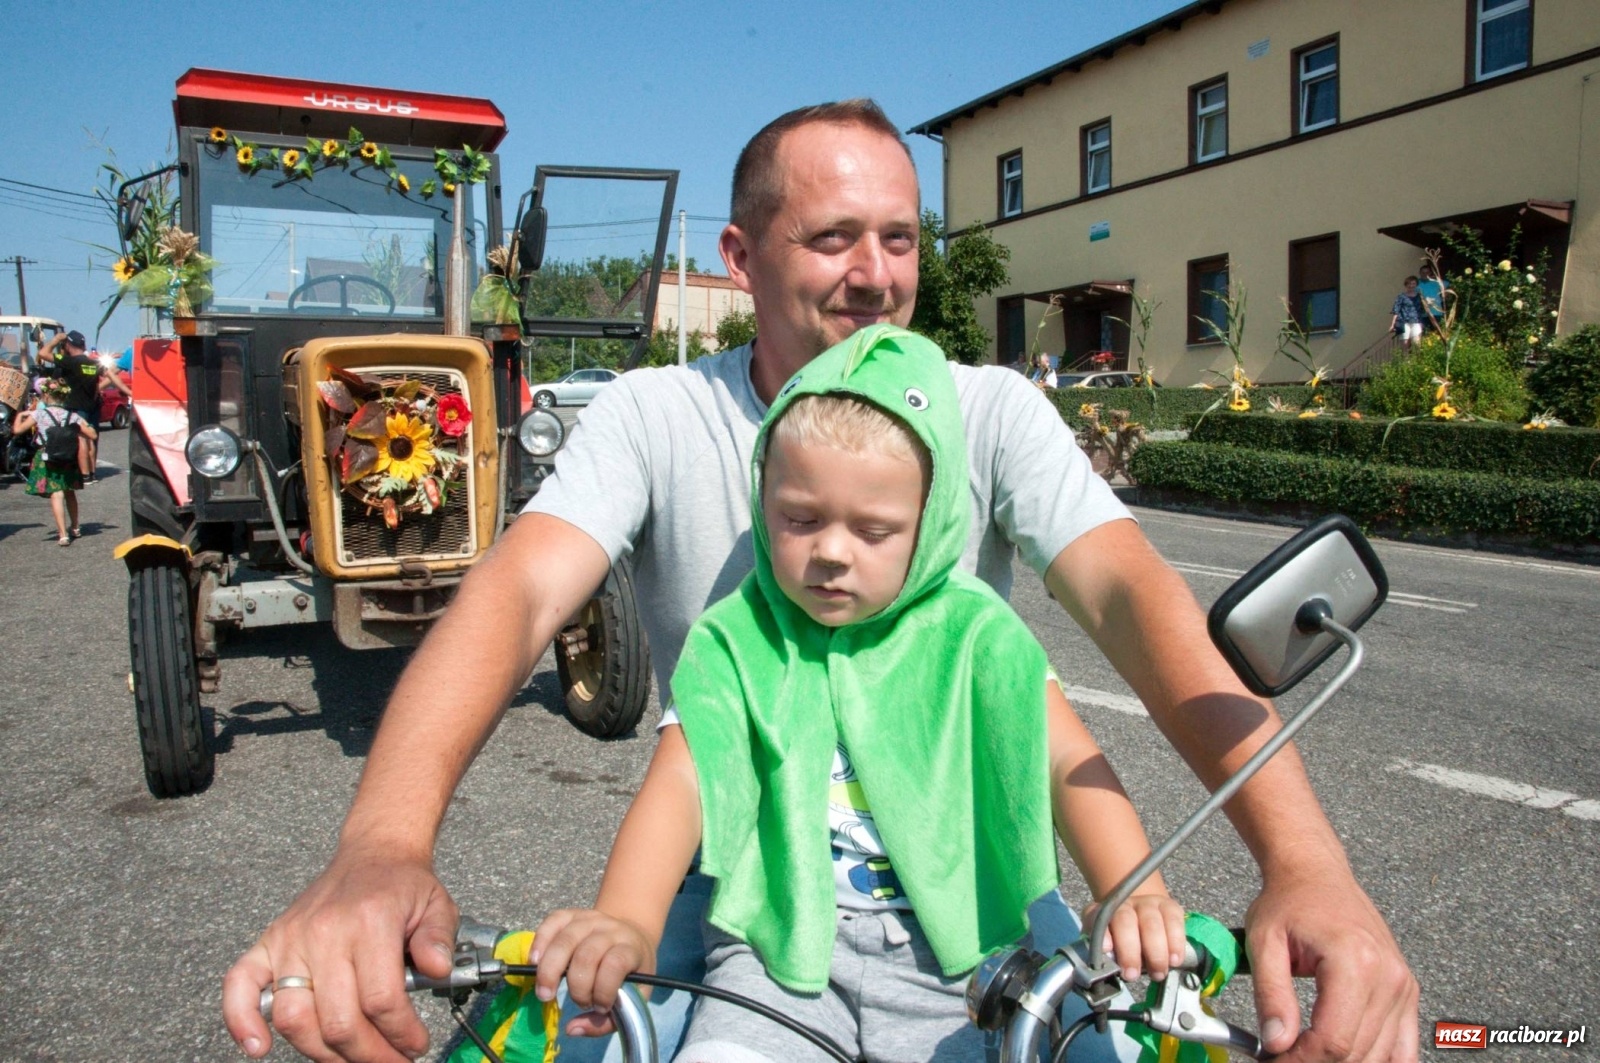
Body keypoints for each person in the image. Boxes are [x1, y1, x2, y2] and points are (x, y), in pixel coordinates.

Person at [223, 99, 1417, 1063]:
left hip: (978, 899)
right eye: (833, 237)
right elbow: (521, 592)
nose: (875, 273)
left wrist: (1306, 864)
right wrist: (381, 845)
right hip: (754, 892)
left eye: (899, 238)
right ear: (740, 257)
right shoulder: (657, 410)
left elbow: (1132, 602)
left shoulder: (986, 409)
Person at [530, 324, 1187, 1060]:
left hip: (971, 956)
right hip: (775, 952)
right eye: (800, 519)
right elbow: (683, 782)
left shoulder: (977, 635)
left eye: (875, 530)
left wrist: (1136, 888)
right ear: (763, 497)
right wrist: (626, 919)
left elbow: (1065, 761)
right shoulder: (738, 638)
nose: (832, 552)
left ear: (931, 524)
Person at [13, 379, 96, 545]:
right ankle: (76, 527)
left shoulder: (39, 414)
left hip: (47, 456)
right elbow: (92, 435)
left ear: (46, 395)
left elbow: (17, 430)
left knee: (56, 494)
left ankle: (63, 534)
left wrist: (20, 415)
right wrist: (84, 425)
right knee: (69, 492)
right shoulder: (73, 416)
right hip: (68, 457)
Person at [1389, 277, 1424, 349]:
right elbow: (1396, 311)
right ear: (1406, 285)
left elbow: (1422, 309)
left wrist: (1421, 322)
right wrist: (1393, 324)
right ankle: (1406, 360)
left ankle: (1417, 359)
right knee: (1405, 343)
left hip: (1416, 321)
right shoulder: (1401, 297)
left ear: (1416, 285)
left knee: (1417, 343)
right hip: (1404, 322)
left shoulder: (1419, 296)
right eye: (1409, 284)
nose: (1411, 285)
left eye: (1413, 284)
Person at [1416, 263, 1449, 333]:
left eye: (1427, 272)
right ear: (1419, 273)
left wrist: (1446, 294)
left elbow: (1449, 285)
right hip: (1423, 314)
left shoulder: (1436, 282)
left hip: (1436, 312)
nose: (1425, 274)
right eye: (1423, 272)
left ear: (1430, 273)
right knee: (1425, 334)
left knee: (1438, 333)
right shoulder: (1416, 284)